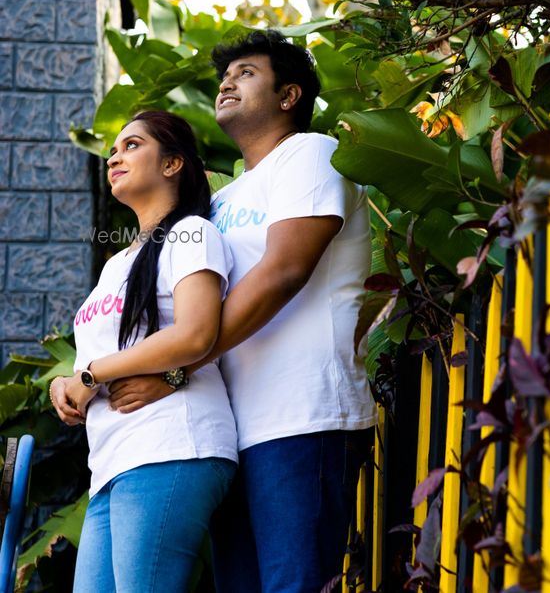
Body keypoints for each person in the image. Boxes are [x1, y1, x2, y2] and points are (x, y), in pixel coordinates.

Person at [106, 30, 378, 592]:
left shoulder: (310, 154)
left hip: (304, 414)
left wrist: (173, 366)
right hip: (231, 434)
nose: (228, 81)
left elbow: (284, 271)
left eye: (247, 73)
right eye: (226, 75)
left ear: (289, 96)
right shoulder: (224, 202)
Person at [49, 110, 237, 592]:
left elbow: (196, 334)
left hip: (171, 444)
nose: (115, 155)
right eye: (113, 149)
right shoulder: (117, 263)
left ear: (173, 164)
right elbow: (98, 354)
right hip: (111, 460)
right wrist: (65, 384)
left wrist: (91, 375)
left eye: (132, 145)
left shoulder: (192, 235)